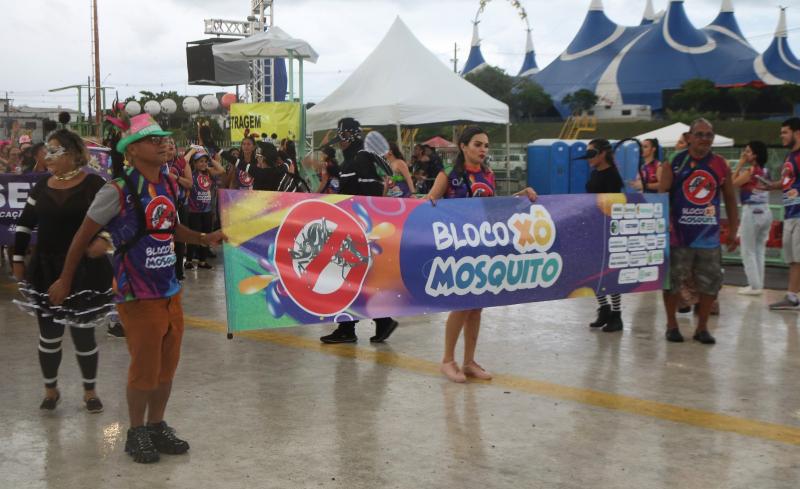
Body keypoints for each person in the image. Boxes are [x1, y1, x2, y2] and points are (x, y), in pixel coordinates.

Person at [48, 114, 227, 464]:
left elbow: (171, 227)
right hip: (136, 294)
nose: (163, 143)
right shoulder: (116, 190)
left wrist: (205, 237)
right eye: (152, 140)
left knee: (166, 369)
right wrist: (65, 279)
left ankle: (157, 425)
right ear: (131, 151)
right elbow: (82, 238)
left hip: (170, 291)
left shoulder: (169, 184)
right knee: (144, 370)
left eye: (163, 138)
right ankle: (135, 431)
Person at [12, 129, 115, 413]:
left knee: (83, 333)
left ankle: (90, 392)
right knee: (49, 334)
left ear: (71, 154)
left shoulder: (94, 184)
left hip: (86, 270)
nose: (47, 155)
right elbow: (23, 224)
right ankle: (50, 390)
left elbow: (116, 220)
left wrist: (104, 241)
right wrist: (18, 259)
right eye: (47, 149)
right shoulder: (42, 186)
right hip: (45, 269)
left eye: (54, 150)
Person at [426, 126, 538, 382]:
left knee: (476, 308)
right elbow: (429, 204)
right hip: (458, 249)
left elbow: (496, 208)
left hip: (483, 248)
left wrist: (522, 196)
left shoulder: (488, 175)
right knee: (462, 305)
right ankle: (447, 360)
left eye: (486, 145)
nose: (483, 150)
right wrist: (431, 202)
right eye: (478, 144)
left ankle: (469, 361)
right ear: (463, 146)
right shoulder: (449, 175)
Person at [659, 118, 738, 344]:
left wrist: (733, 229)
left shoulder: (720, 164)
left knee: (711, 284)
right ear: (689, 137)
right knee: (672, 282)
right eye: (700, 134)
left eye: (709, 135)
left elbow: (731, 199)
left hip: (708, 238)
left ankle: (702, 327)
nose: (705, 139)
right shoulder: (674, 162)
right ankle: (671, 324)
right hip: (678, 236)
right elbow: (662, 196)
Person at [319, 118, 398, 344]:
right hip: (349, 226)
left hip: (359, 228)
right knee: (352, 278)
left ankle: (353, 328)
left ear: (351, 136)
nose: (339, 144)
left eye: (342, 138)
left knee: (349, 277)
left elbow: (370, 192)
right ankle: (375, 323)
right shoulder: (352, 159)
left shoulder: (362, 157)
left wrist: (365, 227)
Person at [583, 139, 626, 332]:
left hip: (607, 227)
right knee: (592, 270)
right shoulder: (594, 174)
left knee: (609, 272)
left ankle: (616, 314)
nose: (588, 159)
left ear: (602, 154)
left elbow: (612, 203)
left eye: (592, 154)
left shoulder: (612, 176)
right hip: (593, 226)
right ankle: (604, 308)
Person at [732, 141, 771, 296]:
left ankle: (754, 286)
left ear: (755, 155)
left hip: (751, 211)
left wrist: (740, 164)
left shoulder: (751, 171)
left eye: (747, 151)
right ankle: (758, 284)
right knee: (759, 249)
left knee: (747, 250)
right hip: (765, 210)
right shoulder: (766, 171)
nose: (745, 154)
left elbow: (732, 182)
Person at [769, 118, 800, 310]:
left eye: (785, 132)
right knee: (793, 257)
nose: (782, 136)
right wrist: (770, 186)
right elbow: (787, 182)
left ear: (798, 133)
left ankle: (792, 296)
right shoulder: (790, 157)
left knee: (797, 257)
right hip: (791, 212)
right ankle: (792, 296)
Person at [184, 148, 225, 270]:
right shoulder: (190, 173)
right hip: (194, 211)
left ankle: (202, 260)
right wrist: (192, 152)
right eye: (200, 161)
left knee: (206, 235)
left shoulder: (209, 173)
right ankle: (189, 260)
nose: (203, 164)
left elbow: (221, 170)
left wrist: (210, 158)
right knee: (194, 235)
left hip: (207, 211)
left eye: (204, 161)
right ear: (195, 163)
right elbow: (185, 162)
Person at [164, 138, 192, 280]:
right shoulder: (158, 163)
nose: (170, 146)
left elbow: (189, 184)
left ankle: (178, 271)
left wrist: (175, 177)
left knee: (179, 238)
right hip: (163, 206)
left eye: (172, 144)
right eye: (167, 143)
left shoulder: (181, 164)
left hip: (180, 205)